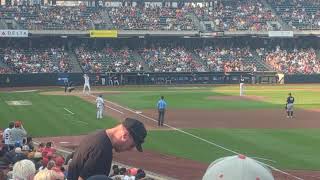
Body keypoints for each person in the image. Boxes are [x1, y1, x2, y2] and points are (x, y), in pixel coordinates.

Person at [67, 118, 147, 180]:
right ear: (125, 136)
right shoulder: (102, 150)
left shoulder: (98, 134)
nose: (130, 149)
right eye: (132, 145)